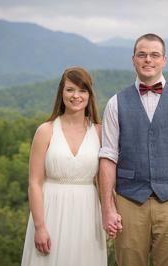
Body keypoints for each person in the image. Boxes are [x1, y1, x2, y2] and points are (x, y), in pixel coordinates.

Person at [99, 33, 168, 266]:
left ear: (164, 60)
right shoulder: (115, 102)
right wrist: (107, 208)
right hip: (128, 202)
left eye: (154, 55)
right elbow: (107, 157)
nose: (148, 60)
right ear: (133, 59)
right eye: (142, 55)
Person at [21, 67, 107, 266]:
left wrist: (109, 214)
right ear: (61, 93)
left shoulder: (100, 133)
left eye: (82, 90)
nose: (76, 95)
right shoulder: (45, 131)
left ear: (89, 95)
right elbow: (34, 183)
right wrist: (40, 227)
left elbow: (104, 183)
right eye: (70, 90)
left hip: (87, 213)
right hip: (51, 210)